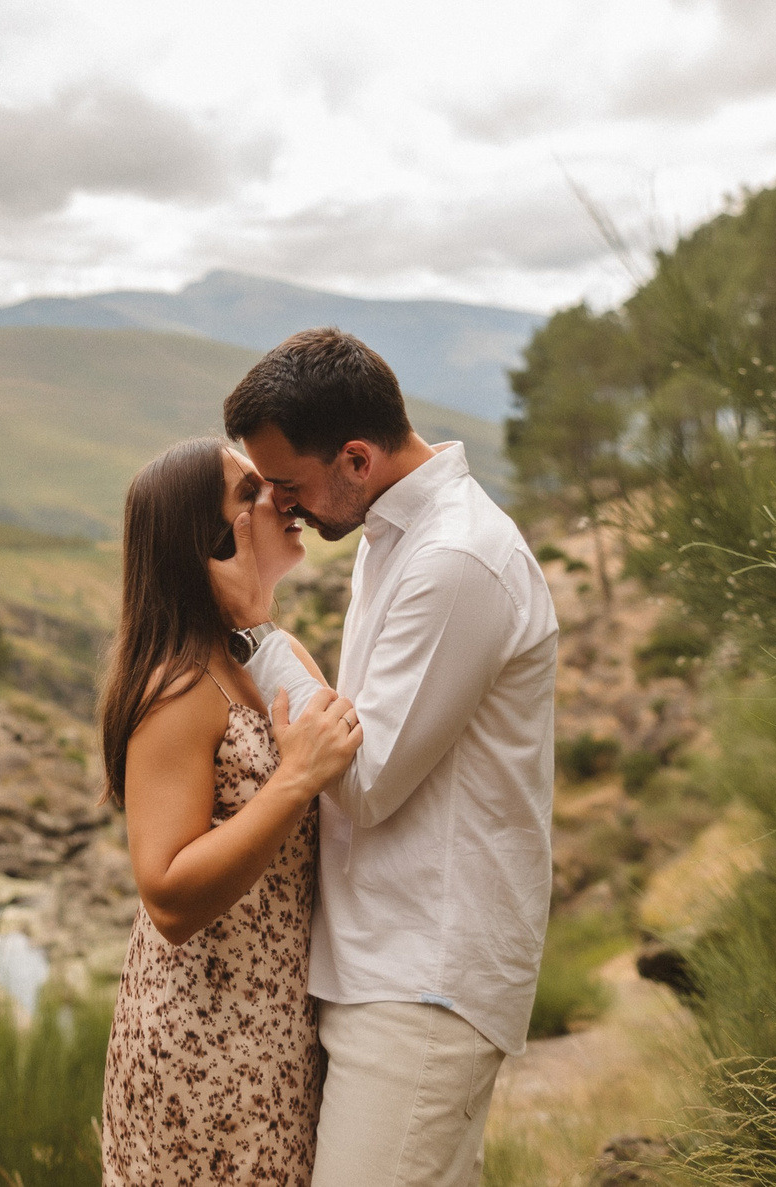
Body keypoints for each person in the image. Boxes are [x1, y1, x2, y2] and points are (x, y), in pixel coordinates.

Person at [220, 328, 558, 1187]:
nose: (282, 508)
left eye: (290, 485)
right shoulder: (394, 537)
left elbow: (361, 779)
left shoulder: (453, 559)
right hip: (384, 961)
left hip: (425, 974)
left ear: (358, 459)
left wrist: (257, 637)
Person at [99, 436, 365, 1187]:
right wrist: (291, 784)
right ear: (211, 540)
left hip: (276, 1037)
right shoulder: (179, 688)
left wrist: (257, 624)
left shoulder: (272, 657)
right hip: (202, 1048)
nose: (282, 496)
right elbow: (168, 894)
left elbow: (347, 754)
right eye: (251, 490)